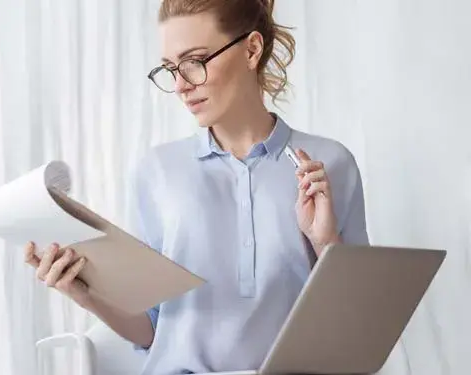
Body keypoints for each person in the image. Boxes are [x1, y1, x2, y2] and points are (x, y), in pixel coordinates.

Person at [24, 0, 369, 373]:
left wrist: (325, 242)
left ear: (251, 50)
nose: (181, 86)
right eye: (171, 69)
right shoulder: (156, 172)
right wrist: (84, 293)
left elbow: (359, 334)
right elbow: (152, 330)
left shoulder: (329, 164)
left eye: (195, 61)